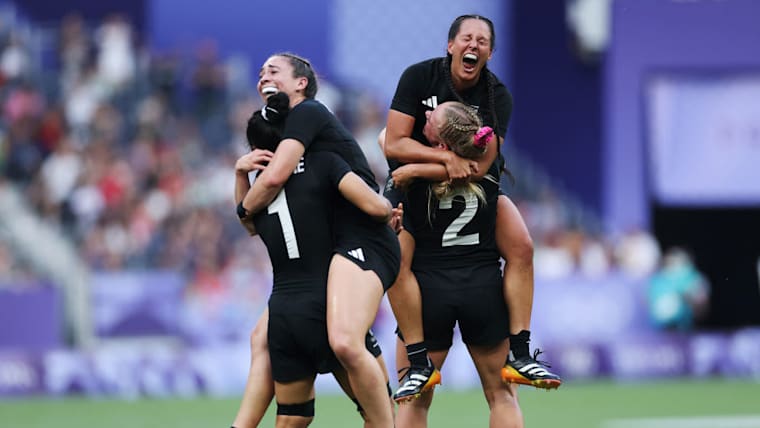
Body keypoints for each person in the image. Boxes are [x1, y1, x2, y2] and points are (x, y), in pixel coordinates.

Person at [383, 14, 561, 401]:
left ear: (490, 53)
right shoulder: (419, 77)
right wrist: (439, 162)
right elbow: (393, 144)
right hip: (412, 189)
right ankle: (406, 354)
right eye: (467, 38)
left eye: (483, 41)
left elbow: (478, 167)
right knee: (391, 262)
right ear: (450, 45)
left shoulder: (498, 95)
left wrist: (417, 167)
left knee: (523, 248)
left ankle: (521, 350)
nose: (474, 45)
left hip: (470, 184)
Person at [238, 52, 399, 427]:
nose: (263, 75)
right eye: (261, 71)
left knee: (343, 340)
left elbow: (275, 177)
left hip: (366, 239)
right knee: (264, 335)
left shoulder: (308, 112)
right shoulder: (297, 136)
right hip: (336, 247)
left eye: (274, 70)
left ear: (301, 84)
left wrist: (243, 209)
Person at [392, 100, 523, 427]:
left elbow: (399, 261)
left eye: (432, 118)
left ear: (440, 145)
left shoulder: (412, 182)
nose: (424, 114)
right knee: (501, 396)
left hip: (428, 295)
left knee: (413, 402)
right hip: (483, 290)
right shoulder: (489, 171)